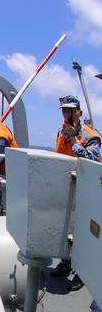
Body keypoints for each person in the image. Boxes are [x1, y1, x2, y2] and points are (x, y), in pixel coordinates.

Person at [52, 95, 102, 281]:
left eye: (71, 110)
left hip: (88, 190)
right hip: (67, 186)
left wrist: (74, 139)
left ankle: (82, 272)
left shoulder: (90, 135)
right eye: (65, 110)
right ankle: (66, 262)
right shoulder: (61, 131)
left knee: (85, 232)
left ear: (79, 112)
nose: (67, 114)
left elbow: (89, 159)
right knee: (67, 226)